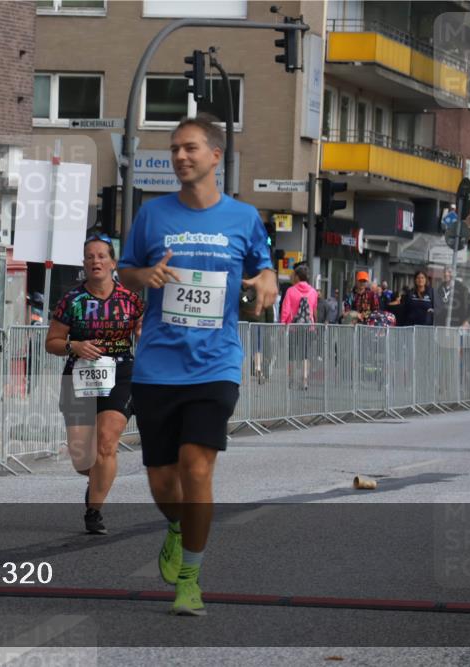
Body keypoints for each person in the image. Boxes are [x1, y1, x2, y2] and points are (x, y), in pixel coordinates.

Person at [118, 114, 277, 616]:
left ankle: (190, 577)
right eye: (174, 149)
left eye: (189, 148)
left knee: (196, 466)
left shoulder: (243, 218)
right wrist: (146, 274)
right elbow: (126, 271)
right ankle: (177, 525)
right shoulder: (152, 214)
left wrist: (267, 280)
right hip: (157, 365)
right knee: (163, 482)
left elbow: (264, 268)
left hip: (215, 363)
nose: (180, 157)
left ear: (215, 156)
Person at [45, 232, 144, 535]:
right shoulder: (71, 300)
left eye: (101, 256)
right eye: (90, 257)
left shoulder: (130, 300)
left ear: (113, 263)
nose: (95, 261)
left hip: (120, 375)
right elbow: (52, 342)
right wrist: (74, 345)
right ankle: (96, 475)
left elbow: (144, 335)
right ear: (84, 264)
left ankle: (94, 511)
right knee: (82, 460)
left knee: (106, 444)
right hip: (80, 377)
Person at [280, 263, 318, 390]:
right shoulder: (313, 292)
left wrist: (283, 325)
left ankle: (291, 380)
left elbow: (285, 310)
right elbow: (314, 310)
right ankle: (305, 380)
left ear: (297, 276)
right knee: (305, 355)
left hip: (293, 328)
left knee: (291, 355)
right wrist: (315, 325)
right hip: (308, 328)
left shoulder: (291, 291)